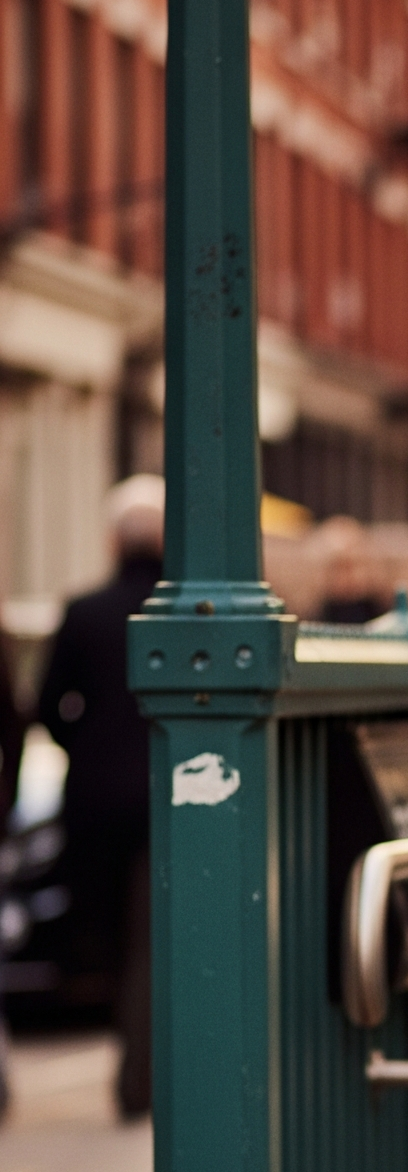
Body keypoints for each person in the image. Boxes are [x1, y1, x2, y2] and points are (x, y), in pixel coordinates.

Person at [34, 474, 163, 1119]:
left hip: (95, 805)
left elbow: (49, 708)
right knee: (152, 939)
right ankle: (142, 1070)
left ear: (114, 539)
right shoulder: (177, 612)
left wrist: (86, 751)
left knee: (112, 939)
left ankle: (134, 1063)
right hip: (168, 803)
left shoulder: (84, 611)